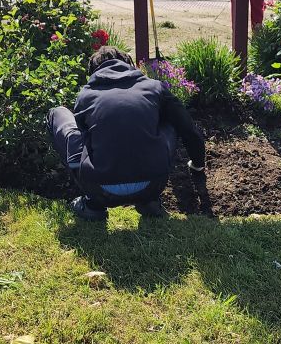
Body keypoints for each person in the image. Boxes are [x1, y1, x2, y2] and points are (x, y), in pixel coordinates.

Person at [47, 47, 206, 221]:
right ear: (129, 65)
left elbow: (83, 143)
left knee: (59, 114)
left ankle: (93, 205)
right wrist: (197, 165)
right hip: (153, 183)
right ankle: (148, 201)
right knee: (170, 119)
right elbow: (188, 130)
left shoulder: (86, 96)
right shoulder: (154, 88)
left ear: (93, 72)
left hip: (100, 188)